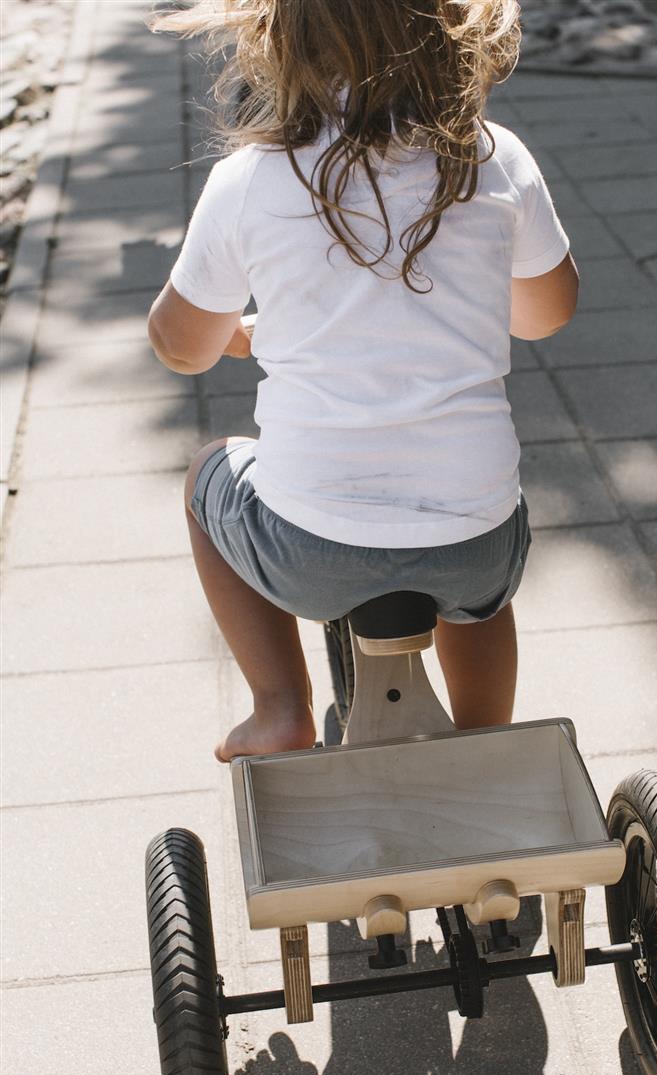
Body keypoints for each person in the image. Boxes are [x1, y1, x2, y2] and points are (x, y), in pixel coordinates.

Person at [147, 0, 578, 763]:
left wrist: (237, 334)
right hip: (477, 540)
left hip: (308, 550)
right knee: (479, 600)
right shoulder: (493, 156)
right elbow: (547, 313)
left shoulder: (251, 177)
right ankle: (485, 743)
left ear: (282, 41)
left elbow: (179, 347)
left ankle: (280, 707)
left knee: (203, 475)